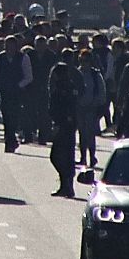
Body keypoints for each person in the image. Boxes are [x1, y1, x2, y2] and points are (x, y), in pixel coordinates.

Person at [47, 48, 81, 196]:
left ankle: (68, 184)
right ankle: (64, 184)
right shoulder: (59, 87)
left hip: (65, 125)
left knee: (60, 156)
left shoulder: (65, 87)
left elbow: (67, 108)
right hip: (62, 124)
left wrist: (60, 125)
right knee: (61, 156)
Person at [0, 35, 33, 152]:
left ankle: (11, 140)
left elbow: (29, 76)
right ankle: (10, 141)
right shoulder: (2, 56)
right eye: (7, 45)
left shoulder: (23, 57)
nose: (9, 48)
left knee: (14, 116)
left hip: (17, 93)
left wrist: (18, 85)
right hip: (5, 92)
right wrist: (0, 84)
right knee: (6, 116)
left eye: (12, 45)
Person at [74, 48, 107, 168]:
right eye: (82, 60)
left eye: (86, 60)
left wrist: (97, 104)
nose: (84, 63)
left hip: (91, 108)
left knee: (90, 134)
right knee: (82, 133)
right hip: (79, 108)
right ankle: (83, 157)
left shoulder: (95, 75)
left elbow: (102, 92)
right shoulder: (76, 74)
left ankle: (92, 156)